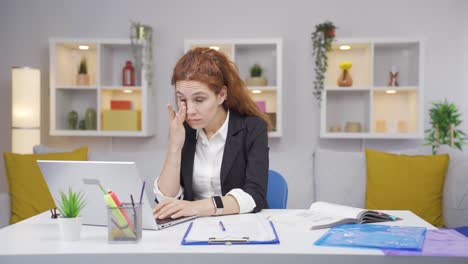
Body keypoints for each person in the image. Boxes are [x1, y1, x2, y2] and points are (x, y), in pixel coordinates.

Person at [153, 47, 271, 220]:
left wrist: (198, 207)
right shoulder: (184, 129)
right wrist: (175, 146)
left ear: (221, 95)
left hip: (241, 226)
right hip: (192, 228)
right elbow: (166, 200)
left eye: (199, 100)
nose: (190, 110)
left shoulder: (252, 128)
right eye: (182, 99)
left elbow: (254, 196)